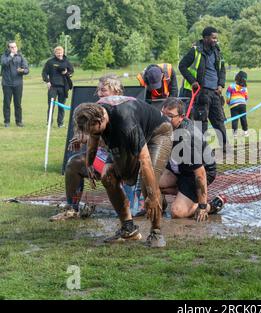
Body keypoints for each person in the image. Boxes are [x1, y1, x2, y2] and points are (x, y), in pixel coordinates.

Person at [72, 90, 173, 247]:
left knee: (148, 184)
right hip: (124, 132)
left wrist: (152, 195)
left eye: (96, 130)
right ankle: (128, 229)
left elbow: (144, 160)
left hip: (157, 133)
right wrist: (89, 163)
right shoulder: (93, 112)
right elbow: (93, 137)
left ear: (101, 120)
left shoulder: (126, 123)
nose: (94, 134)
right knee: (108, 176)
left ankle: (156, 232)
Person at [49, 75, 125, 221]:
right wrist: (80, 137)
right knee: (74, 163)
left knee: (128, 210)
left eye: (104, 90)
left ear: (116, 91)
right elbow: (82, 129)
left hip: (124, 161)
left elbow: (117, 143)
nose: (100, 93)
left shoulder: (123, 110)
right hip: (103, 158)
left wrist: (89, 139)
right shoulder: (96, 108)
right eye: (98, 90)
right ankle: (72, 208)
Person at [159, 97, 225, 221]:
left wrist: (202, 205)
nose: (164, 119)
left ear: (181, 117)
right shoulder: (166, 126)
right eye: (162, 114)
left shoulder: (187, 138)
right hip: (179, 167)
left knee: (177, 212)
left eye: (170, 116)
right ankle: (180, 196)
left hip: (200, 172)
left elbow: (200, 174)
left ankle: (213, 205)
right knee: (153, 181)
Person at [179, 26, 227, 149]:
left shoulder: (217, 51)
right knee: (202, 122)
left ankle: (226, 147)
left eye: (216, 38)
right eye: (213, 38)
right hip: (202, 93)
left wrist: (221, 85)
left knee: (219, 121)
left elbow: (222, 70)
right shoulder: (195, 51)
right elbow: (182, 66)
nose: (216, 40)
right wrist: (193, 81)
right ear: (205, 38)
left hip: (215, 92)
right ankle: (202, 149)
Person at [42, 46, 74, 128]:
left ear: (63, 52)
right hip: (53, 87)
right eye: (58, 53)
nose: (59, 54)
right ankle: (49, 123)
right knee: (51, 105)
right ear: (55, 53)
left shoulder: (67, 62)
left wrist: (67, 73)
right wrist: (47, 81)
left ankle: (60, 123)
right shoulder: (50, 62)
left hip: (63, 87)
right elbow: (44, 73)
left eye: (61, 53)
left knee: (61, 106)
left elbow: (71, 72)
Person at [1, 40, 29, 127]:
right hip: (7, 83)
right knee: (7, 103)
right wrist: (11, 56)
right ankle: (7, 122)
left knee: (18, 103)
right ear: (8, 48)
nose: (14, 48)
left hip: (18, 84)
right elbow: (4, 63)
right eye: (12, 47)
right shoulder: (4, 56)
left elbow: (27, 69)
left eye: (15, 47)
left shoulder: (20, 56)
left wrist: (22, 71)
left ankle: (19, 122)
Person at [226, 71, 249, 138]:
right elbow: (246, 97)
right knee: (243, 118)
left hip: (234, 105)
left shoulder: (231, 86)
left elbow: (228, 96)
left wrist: (228, 103)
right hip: (243, 105)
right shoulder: (245, 88)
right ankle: (245, 132)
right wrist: (243, 103)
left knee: (234, 119)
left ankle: (235, 134)